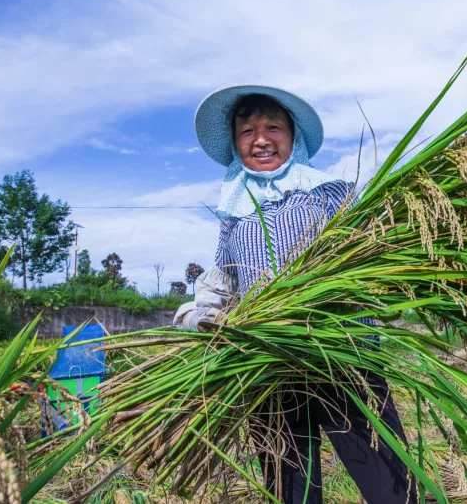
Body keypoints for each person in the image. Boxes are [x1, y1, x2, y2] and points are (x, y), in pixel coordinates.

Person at [174, 86, 417, 504]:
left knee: (391, 487)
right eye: (247, 130)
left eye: (273, 127)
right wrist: (203, 318)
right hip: (269, 371)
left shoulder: (329, 194)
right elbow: (220, 288)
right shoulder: (234, 215)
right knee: (291, 493)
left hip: (345, 360)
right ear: (236, 143)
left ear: (294, 135)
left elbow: (372, 257)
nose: (261, 139)